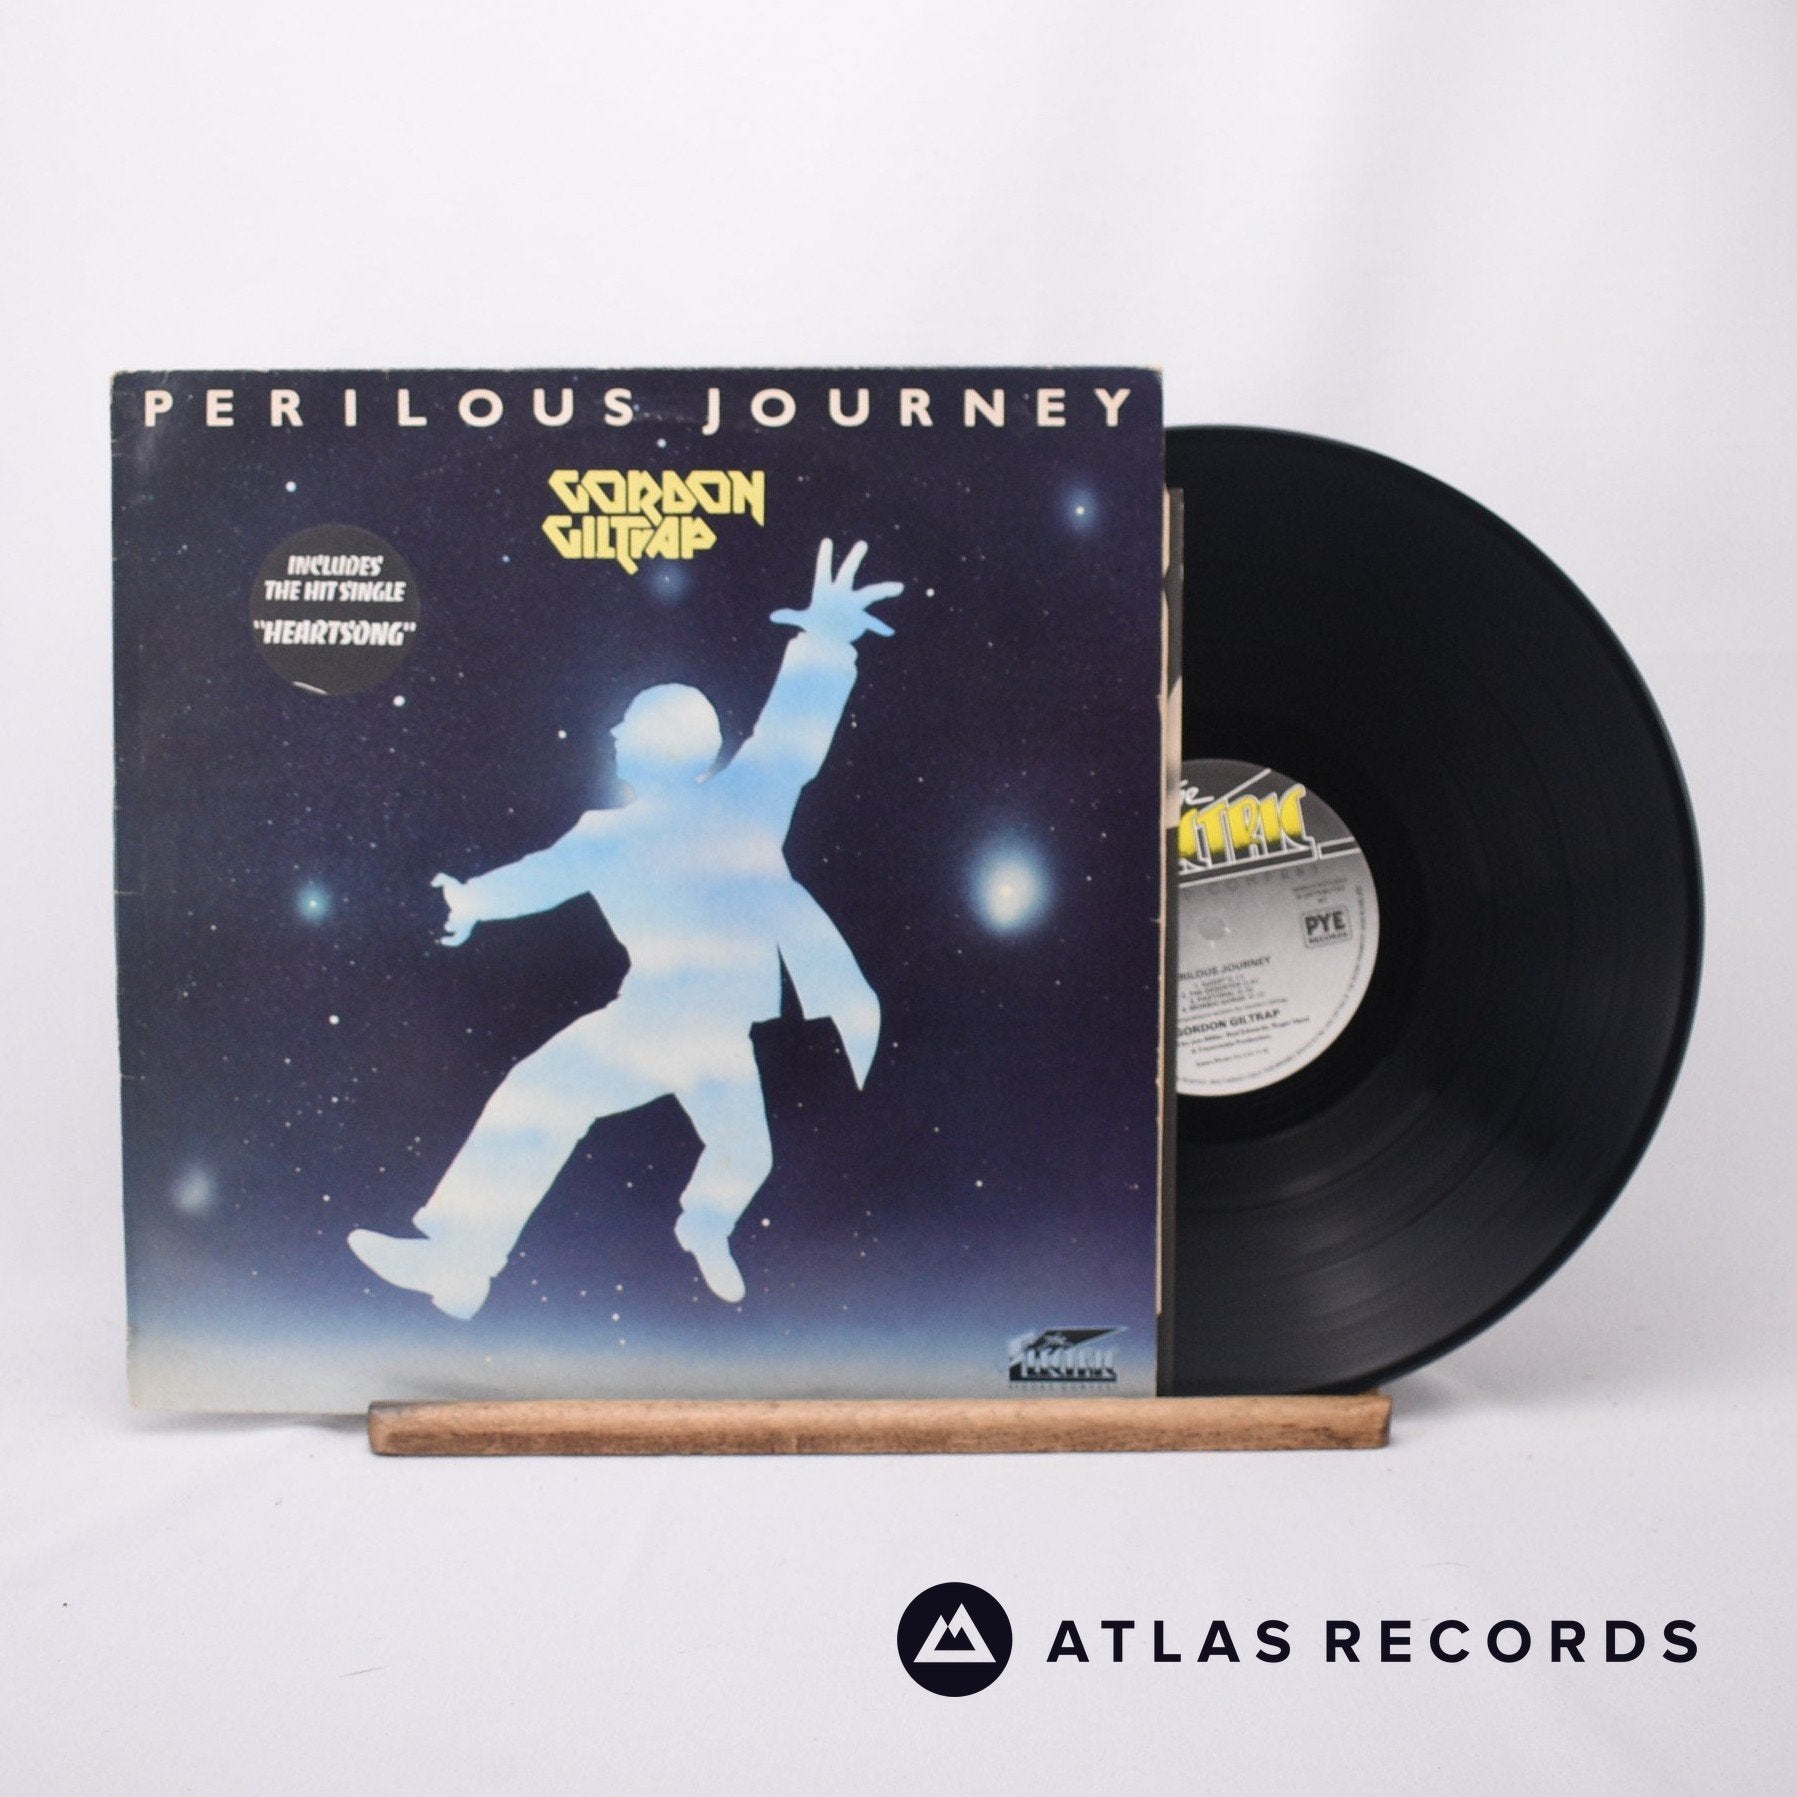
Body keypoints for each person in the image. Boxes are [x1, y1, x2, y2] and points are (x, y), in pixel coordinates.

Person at [347, 539, 903, 1318]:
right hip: (655, 1023)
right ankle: (462, 1263)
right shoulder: (609, 834)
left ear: (661, 743)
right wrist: (473, 901)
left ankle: (695, 1227)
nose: (611, 731)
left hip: (701, 1032)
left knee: (740, 1153)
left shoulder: (738, 804)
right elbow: (539, 877)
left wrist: (826, 642)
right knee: (556, 1099)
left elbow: (787, 740)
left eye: (628, 723)